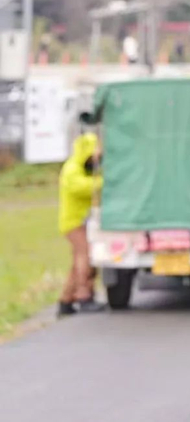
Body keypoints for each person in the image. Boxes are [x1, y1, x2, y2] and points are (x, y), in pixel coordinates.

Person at [57, 132, 104, 316]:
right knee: (85, 257)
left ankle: (66, 301)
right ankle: (84, 296)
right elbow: (83, 188)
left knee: (77, 262)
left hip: (81, 221)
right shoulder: (72, 170)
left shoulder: (83, 169)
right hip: (74, 223)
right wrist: (105, 181)